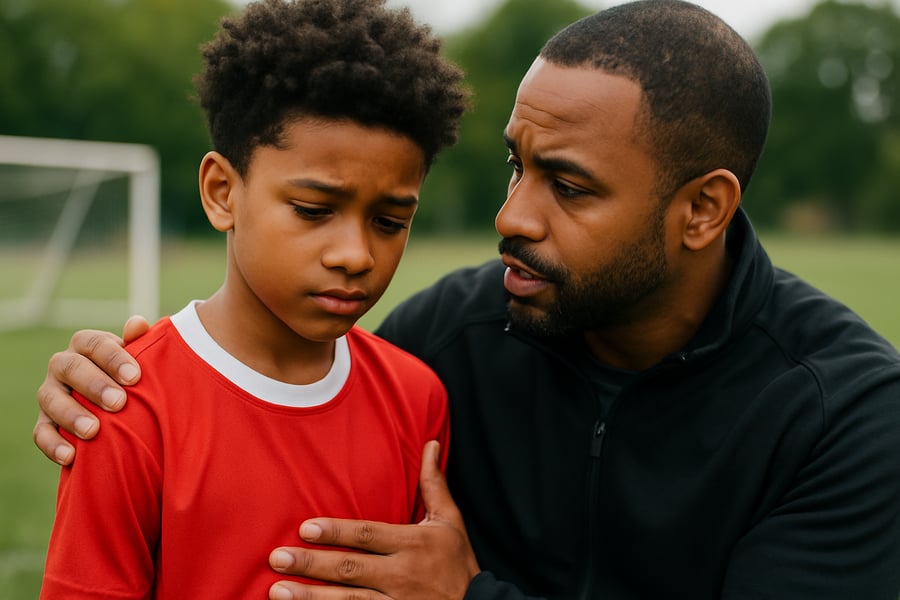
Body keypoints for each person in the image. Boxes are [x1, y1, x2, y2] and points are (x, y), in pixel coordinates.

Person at [35, 1, 900, 598]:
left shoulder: (847, 413)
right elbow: (265, 373)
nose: (510, 215)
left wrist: (470, 597)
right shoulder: (448, 340)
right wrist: (113, 385)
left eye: (568, 184)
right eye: (517, 164)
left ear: (702, 211)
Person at [37, 0, 468, 597]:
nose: (356, 255)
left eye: (390, 221)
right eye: (314, 211)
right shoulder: (125, 404)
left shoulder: (417, 398)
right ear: (221, 193)